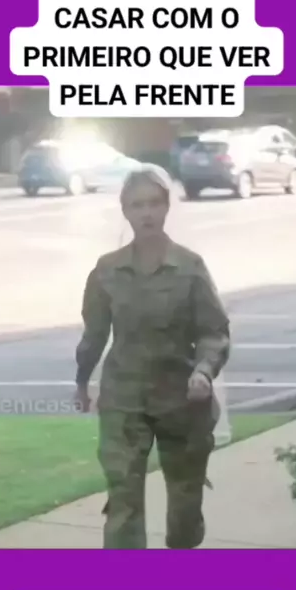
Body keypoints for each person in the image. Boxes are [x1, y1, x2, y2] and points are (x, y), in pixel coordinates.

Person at [74, 166, 230, 549]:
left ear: (166, 207)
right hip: (124, 400)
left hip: (181, 399)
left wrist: (204, 371)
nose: (146, 213)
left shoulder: (189, 267)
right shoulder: (107, 270)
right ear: (125, 211)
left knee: (185, 498)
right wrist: (82, 381)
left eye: (154, 203)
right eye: (137, 205)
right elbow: (94, 334)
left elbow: (214, 331)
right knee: (123, 495)